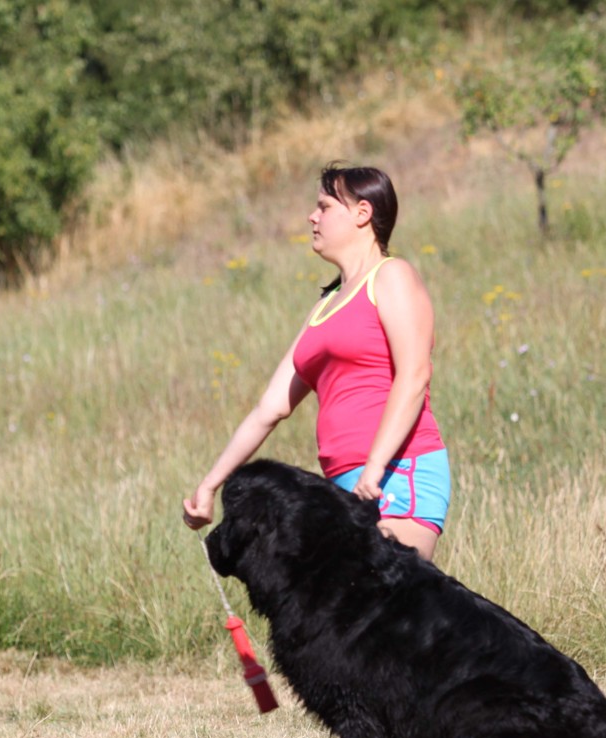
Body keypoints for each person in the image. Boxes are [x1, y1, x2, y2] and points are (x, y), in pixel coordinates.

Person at [183, 163, 450, 560]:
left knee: (376, 596)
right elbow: (270, 408)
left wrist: (374, 467)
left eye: (324, 207)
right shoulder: (325, 306)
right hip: (346, 484)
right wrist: (210, 485)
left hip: (396, 473)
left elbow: (414, 376)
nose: (312, 217)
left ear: (362, 213)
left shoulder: (392, 277)